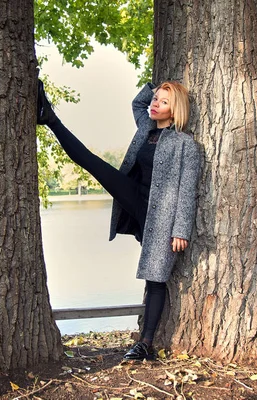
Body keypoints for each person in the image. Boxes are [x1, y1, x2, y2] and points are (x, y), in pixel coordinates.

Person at [36, 79, 201, 360]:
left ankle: (145, 344)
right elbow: (139, 102)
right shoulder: (145, 126)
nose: (155, 104)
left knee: (156, 278)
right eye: (156, 99)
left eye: (163, 102)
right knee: (92, 162)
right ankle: (50, 118)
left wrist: (181, 230)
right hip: (135, 198)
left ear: (175, 111)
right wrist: (155, 85)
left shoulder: (185, 145)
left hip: (162, 217)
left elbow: (187, 190)